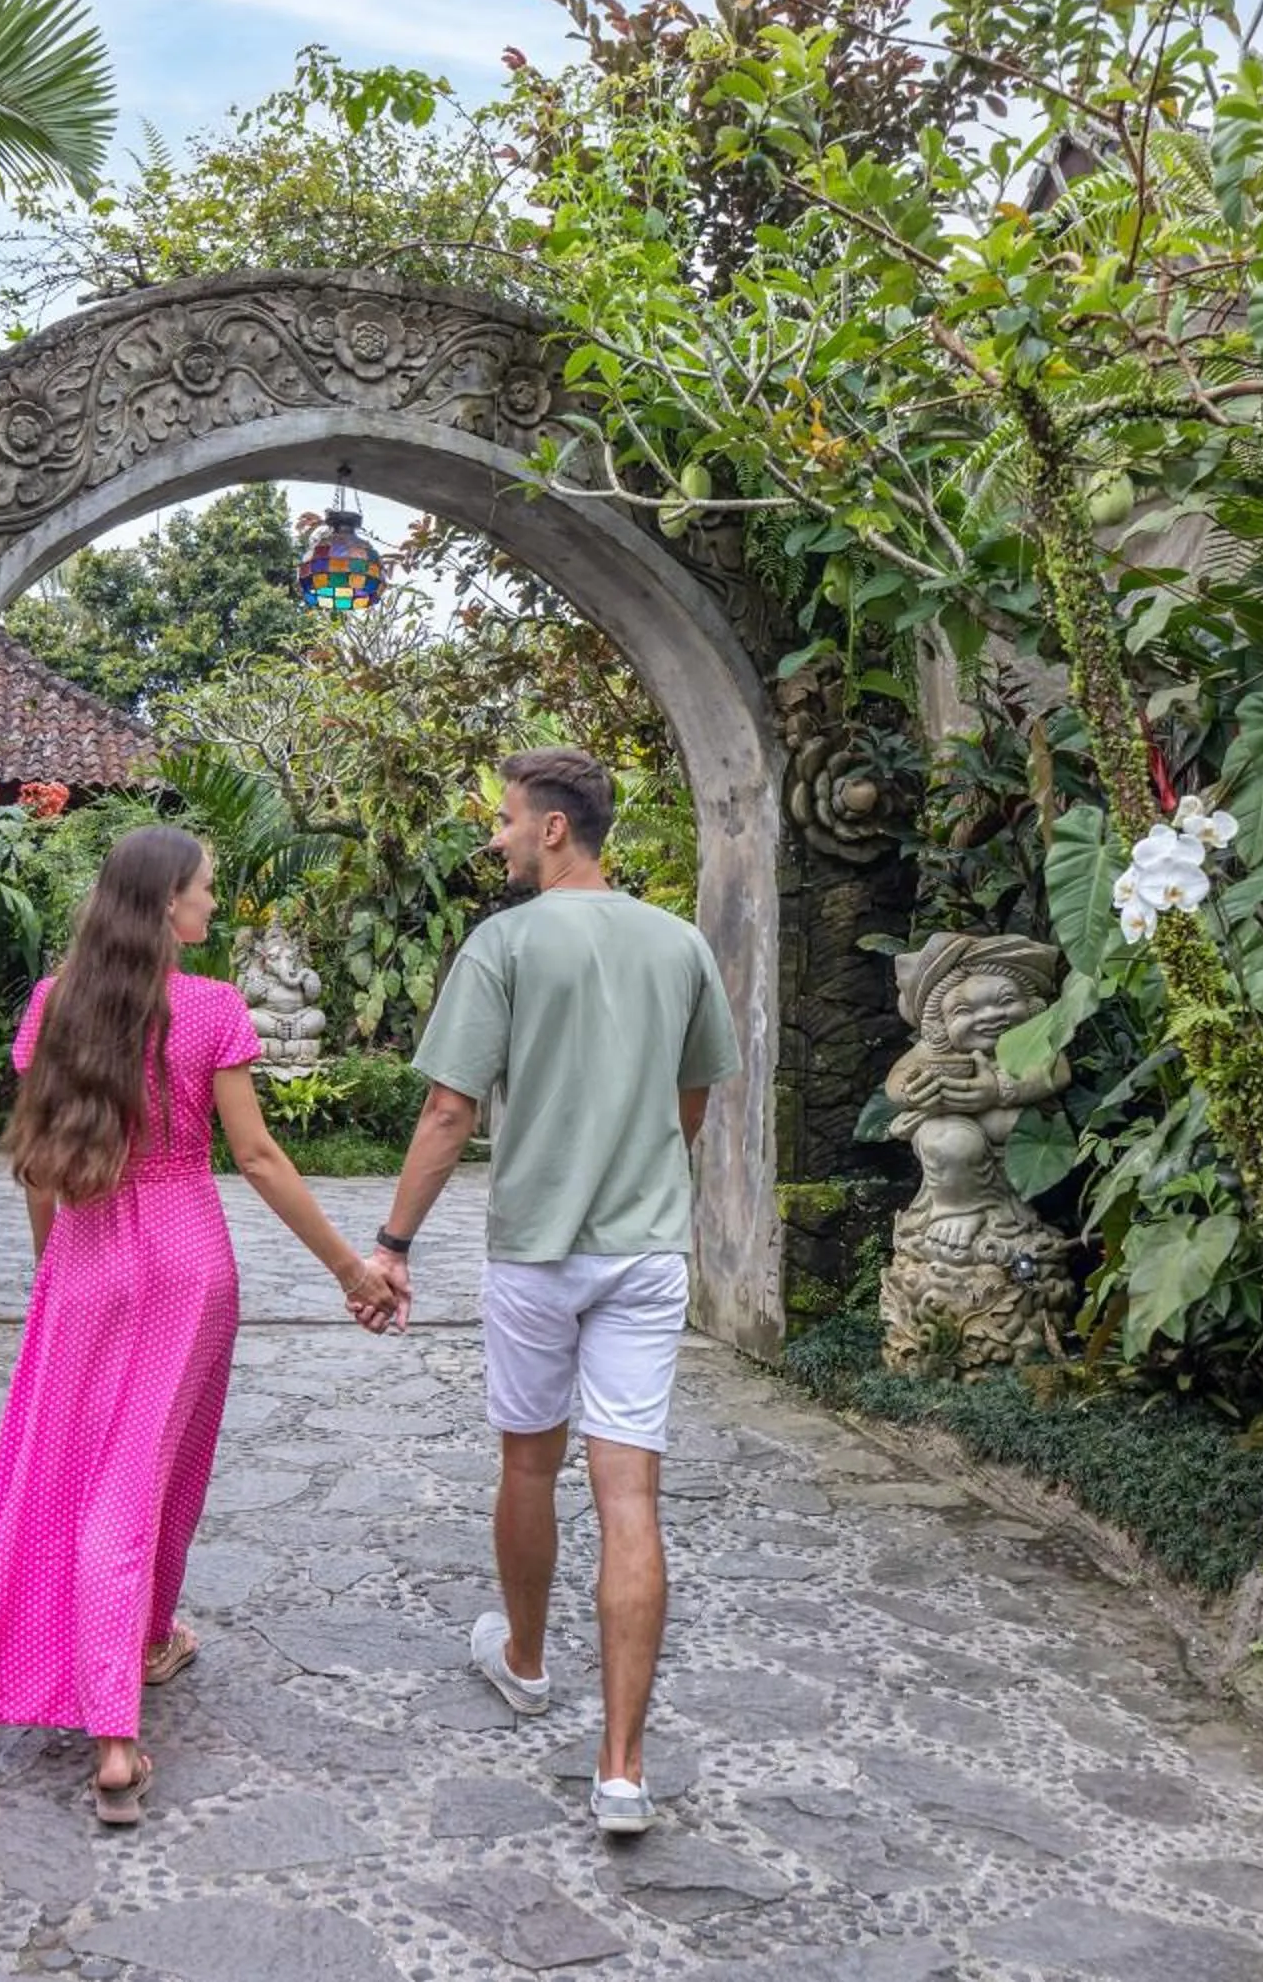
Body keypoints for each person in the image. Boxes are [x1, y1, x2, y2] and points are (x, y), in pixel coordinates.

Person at [0, 825, 405, 1827]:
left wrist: (49, 1269)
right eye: (203, 892)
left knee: (85, 1469)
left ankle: (138, 1642)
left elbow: (42, 1162)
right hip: (189, 1266)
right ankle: (113, 1728)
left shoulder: (53, 1007)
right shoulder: (211, 1010)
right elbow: (261, 1158)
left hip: (90, 1260)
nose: (213, 907)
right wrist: (350, 1269)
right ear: (162, 906)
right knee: (144, 1483)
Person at [363, 746, 740, 1836]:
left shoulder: (506, 945)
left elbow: (449, 1111)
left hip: (537, 1249)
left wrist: (394, 1240)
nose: (498, 838)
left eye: (508, 821)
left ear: (555, 829)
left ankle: (525, 1661)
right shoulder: (680, 946)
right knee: (631, 1494)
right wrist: (645, 1183)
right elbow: (692, 1101)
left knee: (528, 1458)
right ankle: (622, 1770)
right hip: (646, 1250)